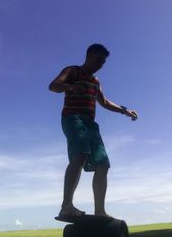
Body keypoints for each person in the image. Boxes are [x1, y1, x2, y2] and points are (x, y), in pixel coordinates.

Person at [49, 43, 138, 218]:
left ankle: (100, 211)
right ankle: (66, 205)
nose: (101, 65)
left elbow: (103, 102)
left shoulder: (95, 81)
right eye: (99, 60)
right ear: (89, 56)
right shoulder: (73, 71)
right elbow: (53, 86)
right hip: (73, 118)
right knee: (80, 154)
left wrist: (124, 110)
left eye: (103, 62)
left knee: (103, 164)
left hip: (90, 124)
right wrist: (70, 87)